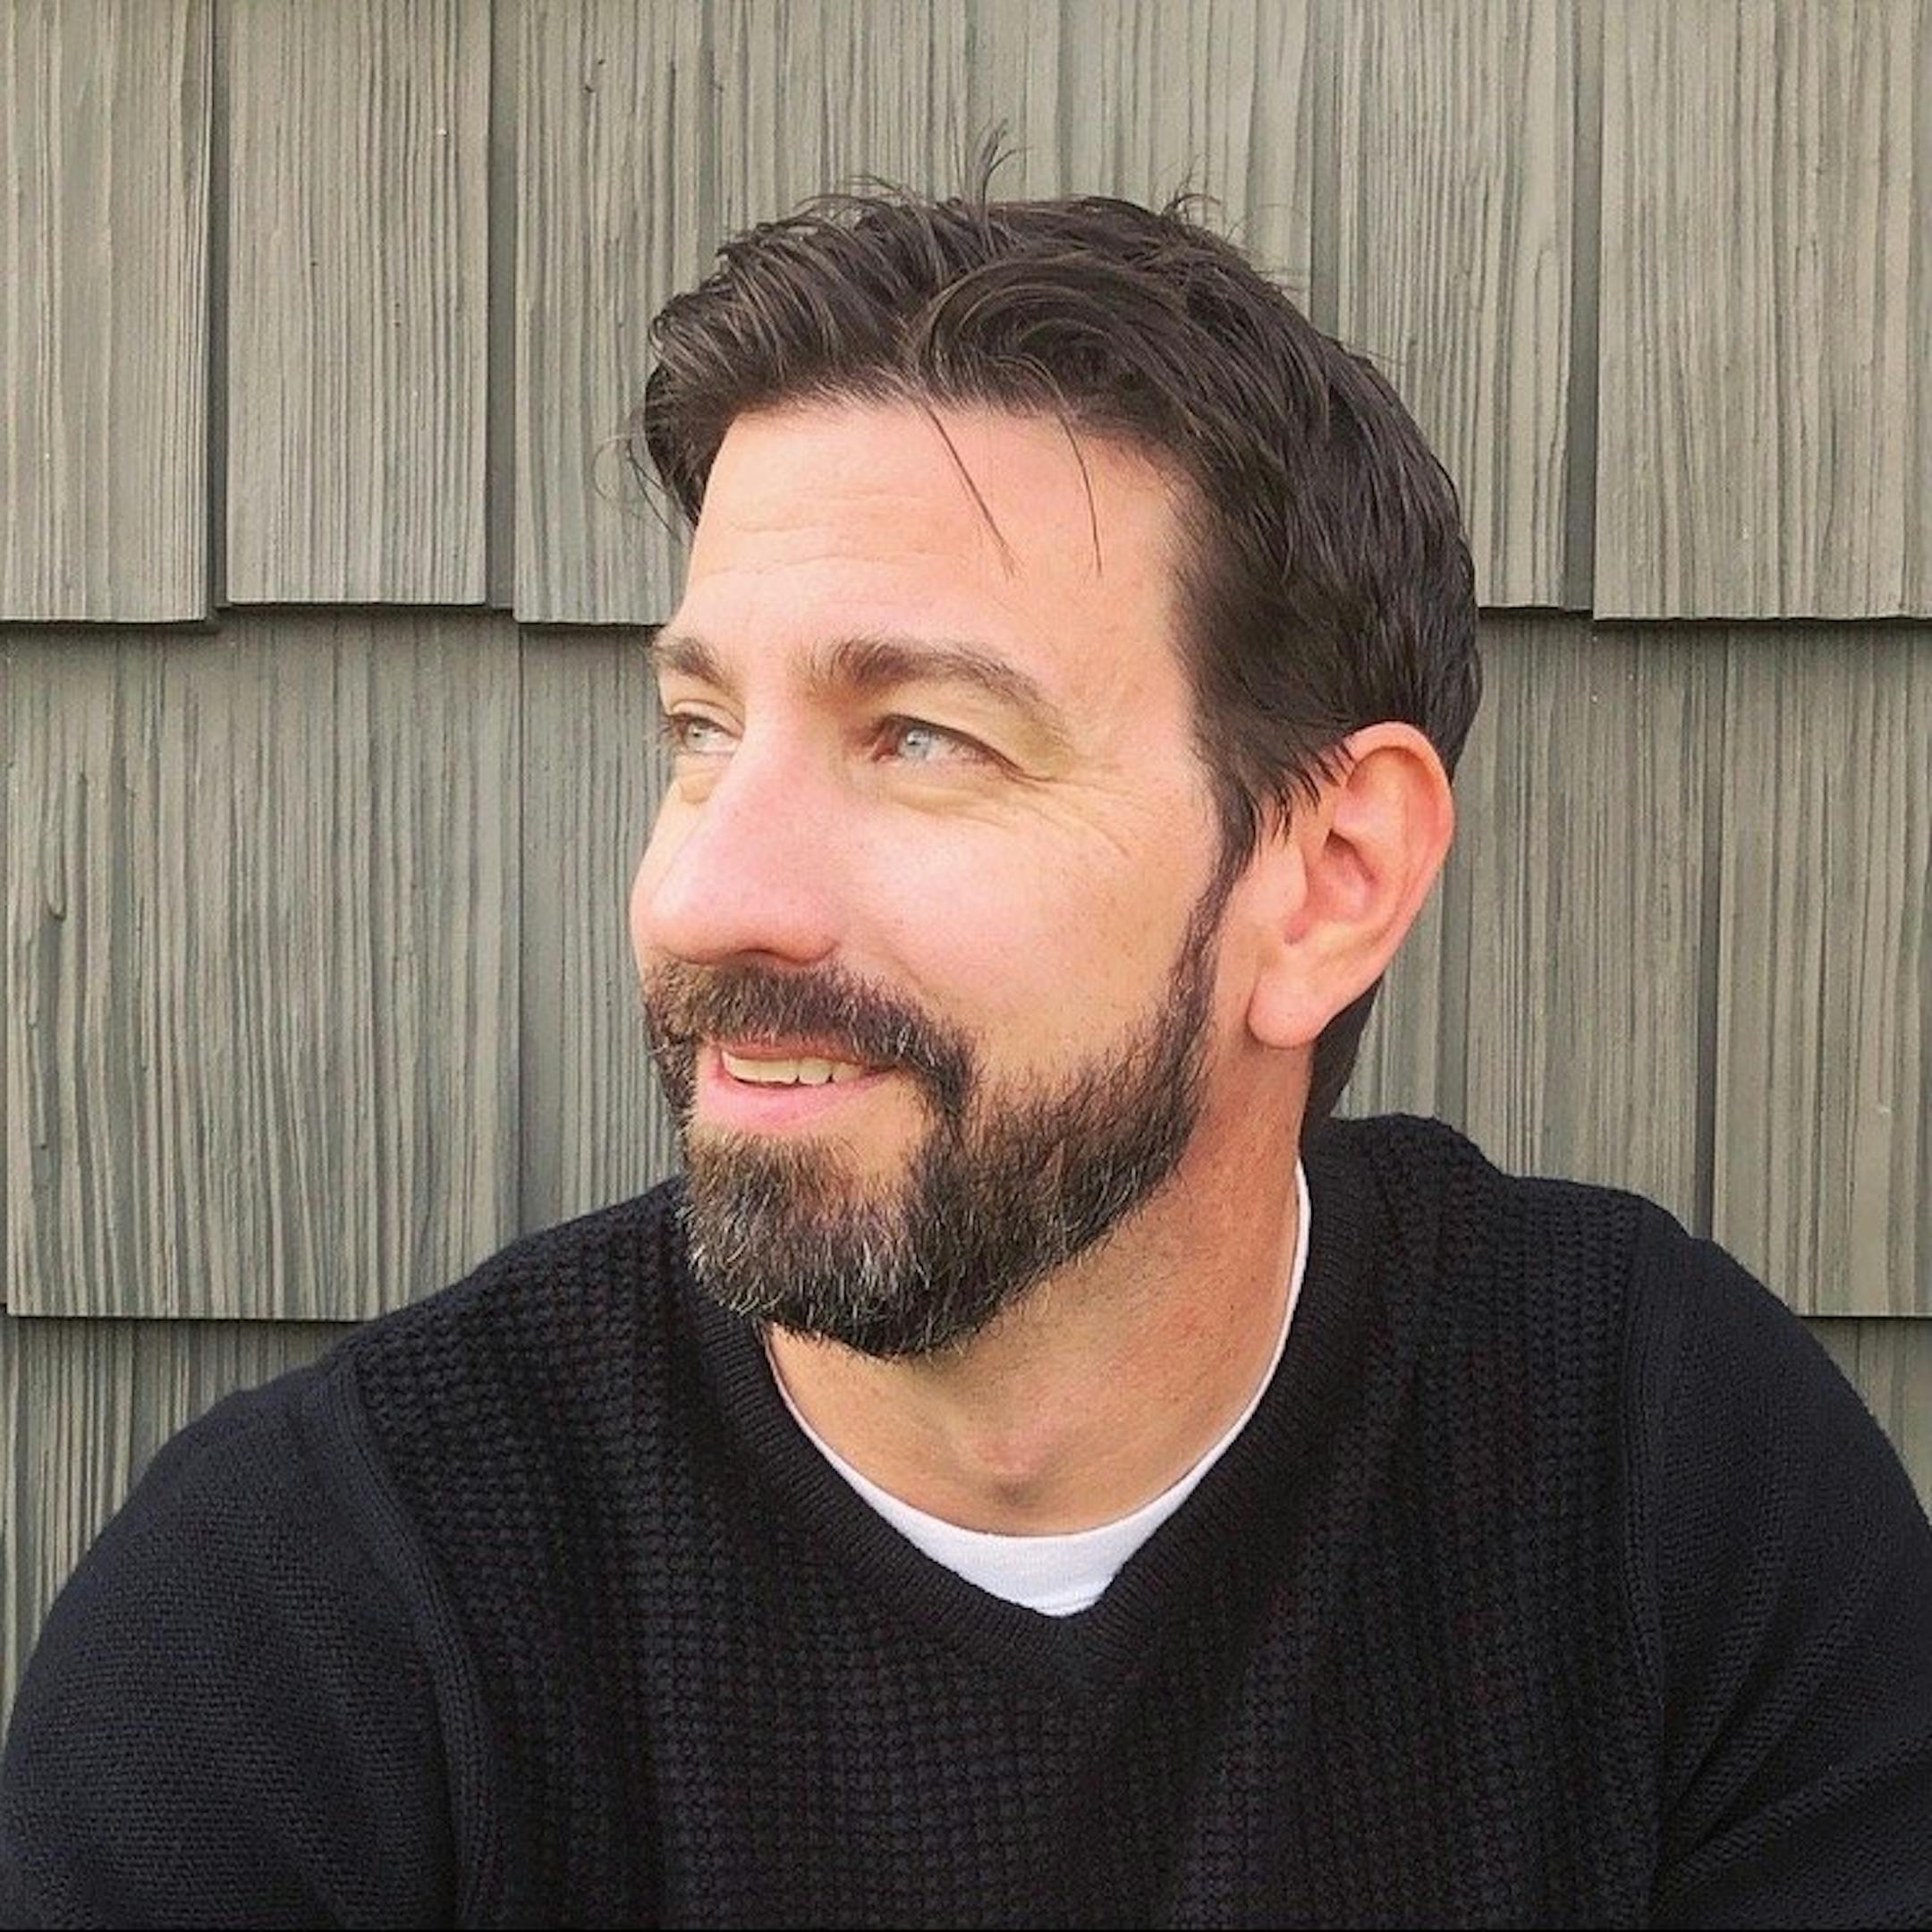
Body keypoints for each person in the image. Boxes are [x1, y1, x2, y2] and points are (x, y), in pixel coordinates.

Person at [4, 180, 1930, 1930]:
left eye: (923, 736)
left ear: (1328, 881)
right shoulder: (312, 1614)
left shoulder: (1659, 1471)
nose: (707, 895)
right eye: (701, 731)